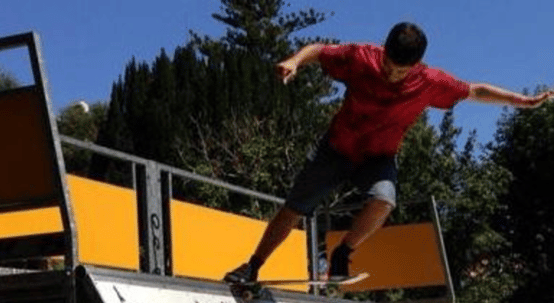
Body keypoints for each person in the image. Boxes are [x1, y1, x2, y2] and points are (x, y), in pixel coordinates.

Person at [224, 22, 554, 284]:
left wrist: (519, 101)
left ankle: (343, 253)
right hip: (337, 149)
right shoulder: (361, 57)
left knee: (384, 201)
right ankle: (253, 266)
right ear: (383, 52)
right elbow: (320, 50)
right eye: (388, 65)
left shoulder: (431, 81)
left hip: (378, 158)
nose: (391, 74)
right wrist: (295, 60)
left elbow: (474, 90)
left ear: (417, 65)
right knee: (293, 209)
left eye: (400, 71)